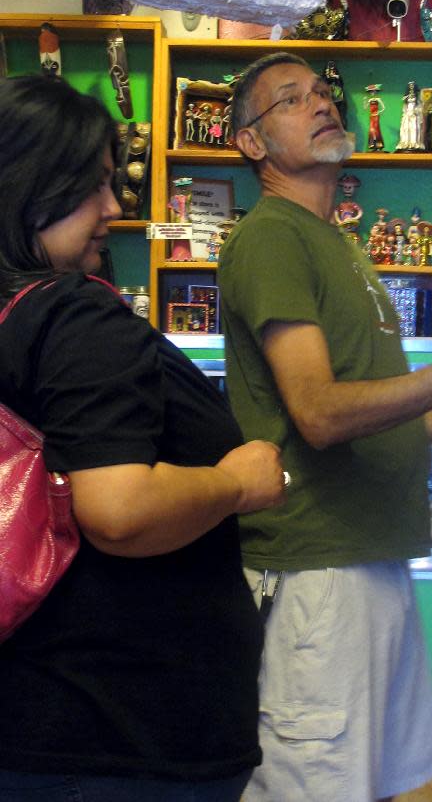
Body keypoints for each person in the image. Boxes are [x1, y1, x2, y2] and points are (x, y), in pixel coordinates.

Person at [218, 52, 432, 802]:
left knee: (368, 787)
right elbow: (320, 414)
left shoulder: (336, 242)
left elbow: (365, 412)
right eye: (291, 101)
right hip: (319, 572)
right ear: (253, 145)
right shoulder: (272, 237)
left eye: (322, 93)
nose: (321, 104)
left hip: (370, 560)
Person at [0, 74, 288, 802]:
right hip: (118, 738)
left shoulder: (21, 318)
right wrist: (239, 482)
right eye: (93, 185)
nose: (113, 206)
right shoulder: (76, 317)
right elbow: (120, 510)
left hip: (43, 718)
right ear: (30, 185)